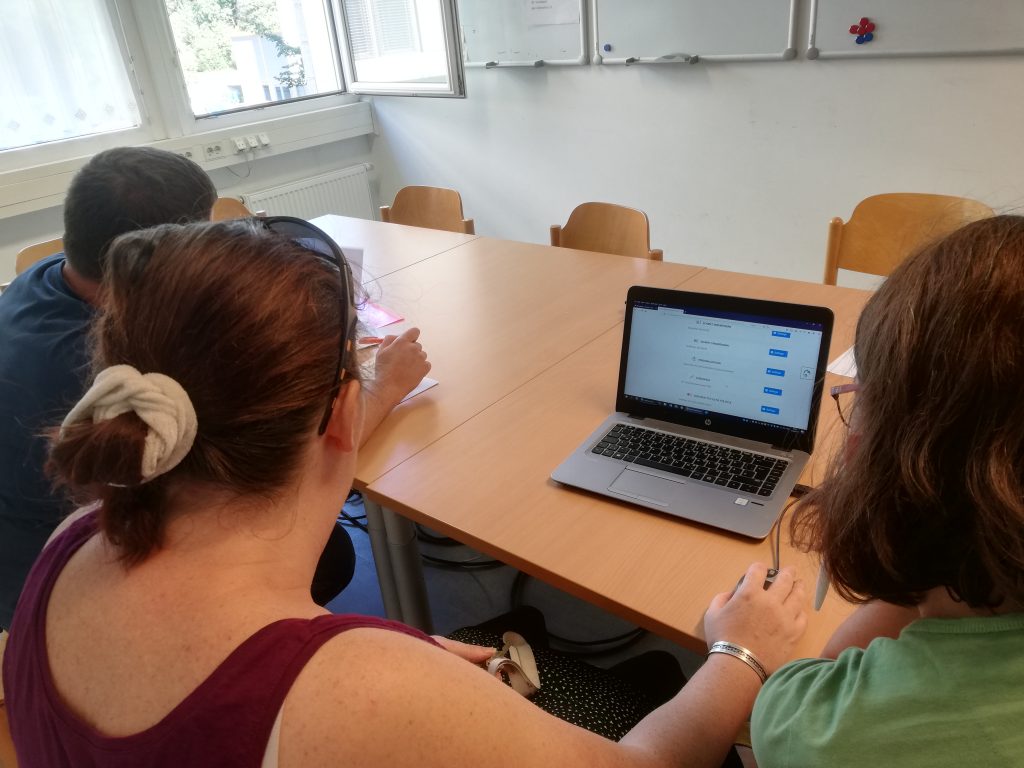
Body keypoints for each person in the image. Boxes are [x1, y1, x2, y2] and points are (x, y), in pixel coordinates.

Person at [3, 220, 805, 767]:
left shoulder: (73, 541)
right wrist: (743, 652)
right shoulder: (356, 690)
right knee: (662, 690)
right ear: (343, 412)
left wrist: (403, 675)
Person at [0, 148, 428, 630]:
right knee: (330, 554)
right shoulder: (101, 372)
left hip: (43, 542)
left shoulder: (44, 279)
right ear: (167, 258)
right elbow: (293, 464)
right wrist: (385, 386)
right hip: (73, 592)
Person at [751, 215, 1024, 766]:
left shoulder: (823, 730)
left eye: (860, 400)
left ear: (879, 457)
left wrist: (741, 647)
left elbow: (820, 681)